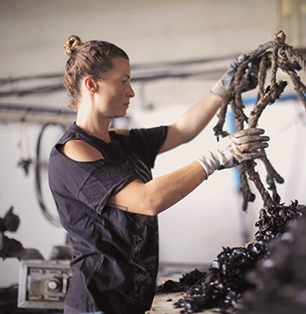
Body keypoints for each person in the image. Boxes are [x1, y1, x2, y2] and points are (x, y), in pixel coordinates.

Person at [48, 35, 269, 314]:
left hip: (132, 302)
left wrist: (223, 88)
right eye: (123, 81)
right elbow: (146, 200)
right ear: (92, 84)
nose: (131, 92)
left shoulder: (120, 141)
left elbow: (180, 130)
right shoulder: (73, 152)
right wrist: (216, 157)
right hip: (98, 305)